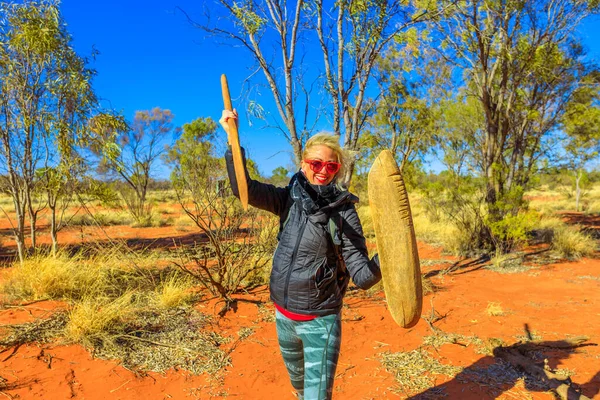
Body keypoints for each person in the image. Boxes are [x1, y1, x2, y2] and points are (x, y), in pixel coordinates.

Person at [220, 110, 381, 400]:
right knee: (299, 390)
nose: (323, 170)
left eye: (331, 166)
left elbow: (362, 276)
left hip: (321, 322)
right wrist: (233, 138)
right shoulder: (287, 199)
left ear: (338, 170)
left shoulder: (344, 212)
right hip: (283, 317)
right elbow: (243, 190)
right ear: (303, 163)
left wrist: (389, 259)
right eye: (316, 163)